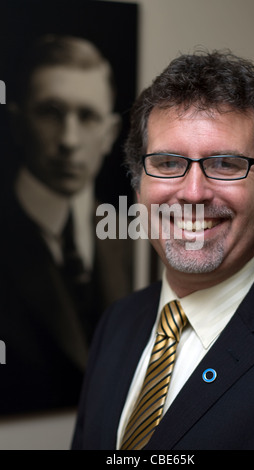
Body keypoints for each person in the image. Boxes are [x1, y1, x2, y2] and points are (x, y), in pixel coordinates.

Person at [71, 50, 254, 450]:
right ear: (139, 184)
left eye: (226, 163)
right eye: (167, 162)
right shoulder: (118, 322)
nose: (193, 193)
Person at [0, 35, 132, 414]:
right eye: (50, 113)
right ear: (18, 123)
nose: (69, 140)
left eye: (87, 117)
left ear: (108, 135)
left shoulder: (131, 236)